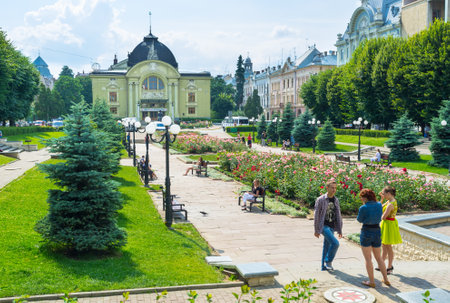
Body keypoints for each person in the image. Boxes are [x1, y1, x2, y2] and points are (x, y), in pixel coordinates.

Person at [357, 188, 391, 288]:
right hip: (377, 231)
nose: (361, 199)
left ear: (365, 197)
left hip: (366, 231)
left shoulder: (363, 207)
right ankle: (386, 279)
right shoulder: (379, 205)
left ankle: (371, 281)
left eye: (361, 197)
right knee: (379, 258)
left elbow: (359, 219)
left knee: (368, 259)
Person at [314, 180, 343, 271]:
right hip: (323, 226)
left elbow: (338, 214)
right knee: (335, 243)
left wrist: (340, 229)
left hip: (332, 226)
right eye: (332, 188)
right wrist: (316, 230)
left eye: (335, 188)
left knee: (326, 246)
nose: (334, 190)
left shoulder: (336, 200)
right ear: (327, 188)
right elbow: (316, 215)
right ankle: (328, 261)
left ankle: (323, 267)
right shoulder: (321, 199)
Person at [377, 186, 402, 275]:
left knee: (388, 246)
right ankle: (382, 264)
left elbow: (383, 217)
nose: (383, 195)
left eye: (384, 194)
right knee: (384, 245)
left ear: (388, 193)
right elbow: (379, 207)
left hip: (389, 225)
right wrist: (382, 199)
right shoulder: (390, 201)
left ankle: (389, 266)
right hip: (387, 224)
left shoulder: (391, 204)